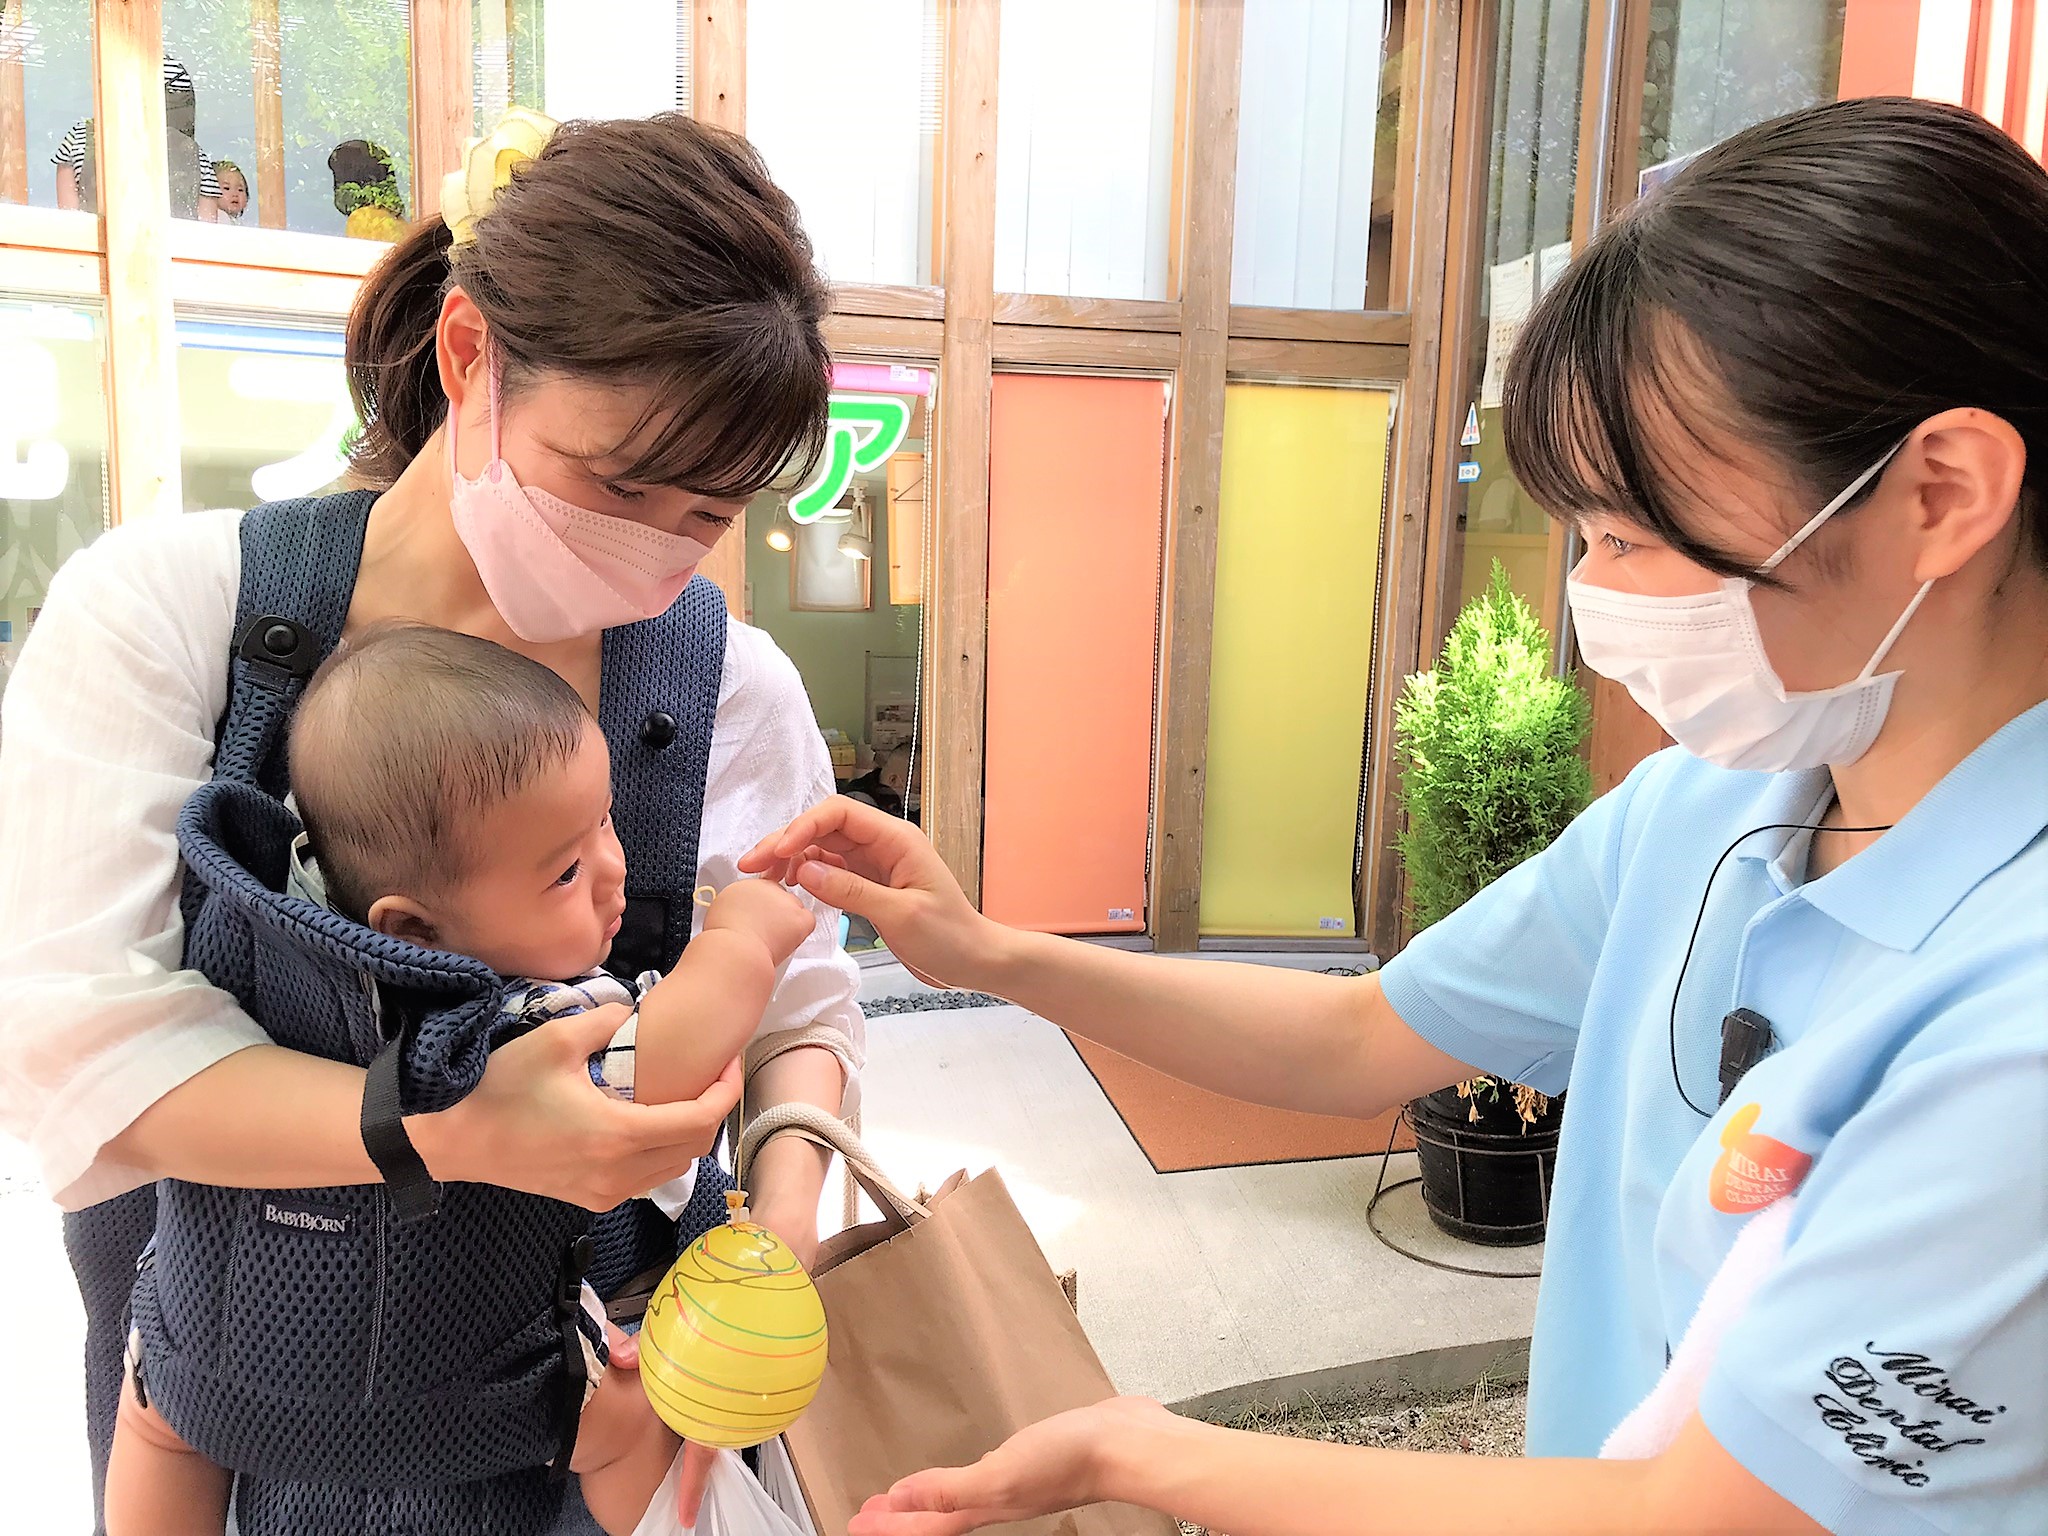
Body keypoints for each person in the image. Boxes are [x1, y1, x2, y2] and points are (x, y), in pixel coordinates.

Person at [744, 98, 2047, 1536]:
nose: (1596, 594)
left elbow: (1710, 1514)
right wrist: (992, 953)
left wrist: (1140, 1455)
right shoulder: (1708, 811)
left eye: (1635, 532)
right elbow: (1363, 1036)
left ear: (1942, 491)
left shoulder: (2015, 1018)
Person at [0, 109, 862, 1532]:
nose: (653, 550)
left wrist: (775, 1231)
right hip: (241, 1441)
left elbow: (801, 1020)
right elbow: (66, 1048)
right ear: (471, 356)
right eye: (616, 483)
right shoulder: (174, 615)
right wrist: (443, 1129)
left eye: (704, 516)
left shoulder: (727, 685)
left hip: (611, 1433)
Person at [53, 55, 222, 221]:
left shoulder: (80, 136)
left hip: (102, 246)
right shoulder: (194, 154)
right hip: (164, 247)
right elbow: (205, 233)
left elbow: (70, 221)